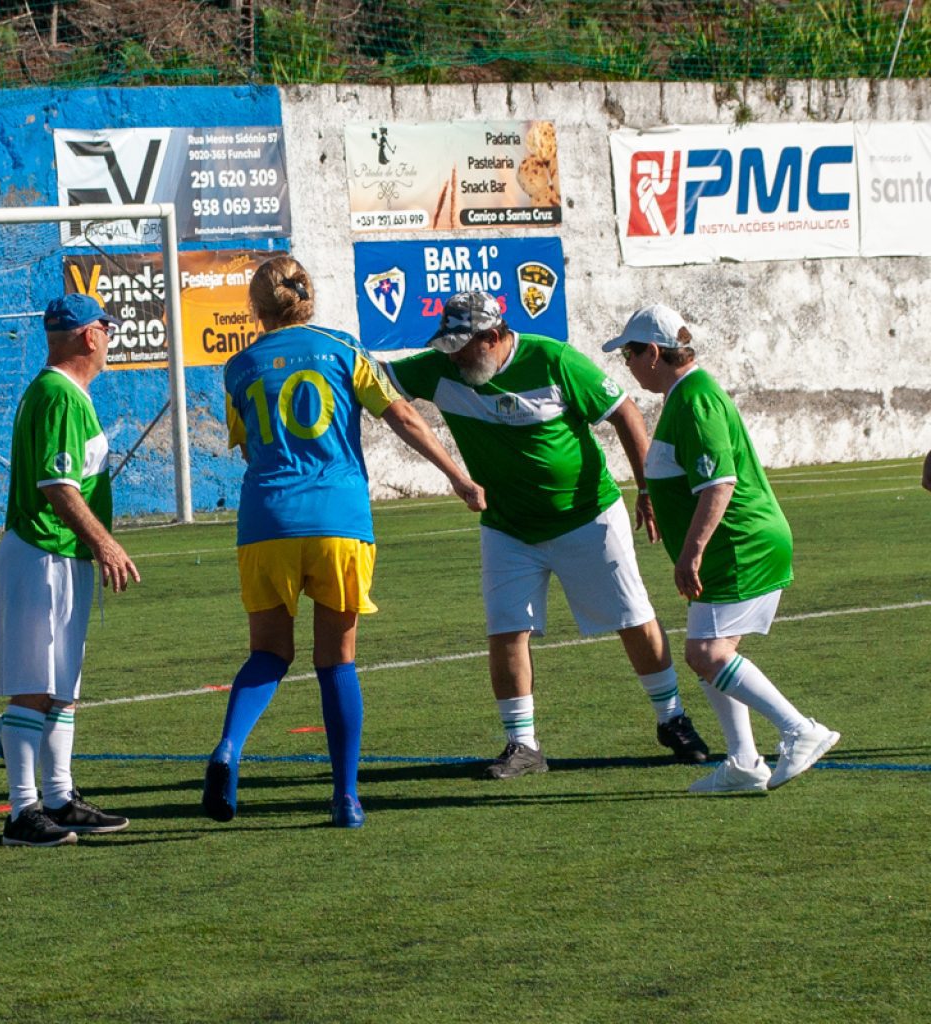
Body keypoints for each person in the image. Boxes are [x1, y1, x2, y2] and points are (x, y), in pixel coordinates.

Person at [201, 256, 485, 829]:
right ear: (309, 298)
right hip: (338, 520)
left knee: (268, 653)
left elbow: (250, 446)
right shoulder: (344, 349)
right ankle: (346, 797)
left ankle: (229, 747)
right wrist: (456, 475)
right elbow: (401, 415)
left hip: (266, 522)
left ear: (256, 309)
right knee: (337, 660)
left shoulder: (239, 367)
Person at [384, 291, 709, 779]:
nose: (452, 357)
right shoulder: (438, 368)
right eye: (446, 347)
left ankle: (672, 718)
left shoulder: (554, 358)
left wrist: (647, 488)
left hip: (588, 517)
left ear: (493, 337)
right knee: (506, 629)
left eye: (462, 346)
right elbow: (371, 379)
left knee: (634, 616)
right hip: (508, 527)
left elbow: (625, 413)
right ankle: (522, 745)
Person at [604, 303, 839, 793]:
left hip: (738, 543)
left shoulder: (695, 398)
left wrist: (691, 552)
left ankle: (801, 730)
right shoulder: (684, 396)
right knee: (716, 653)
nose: (626, 363)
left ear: (653, 352)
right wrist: (653, 498)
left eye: (628, 353)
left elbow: (720, 483)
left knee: (707, 653)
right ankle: (744, 763)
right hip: (730, 544)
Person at [0, 293, 139, 846]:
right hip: (41, 552)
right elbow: (57, 487)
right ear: (88, 336)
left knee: (62, 688)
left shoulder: (68, 393)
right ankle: (21, 812)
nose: (108, 337)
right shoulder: (58, 393)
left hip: (61, 554)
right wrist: (105, 543)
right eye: (105, 327)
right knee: (34, 686)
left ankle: (57, 797)